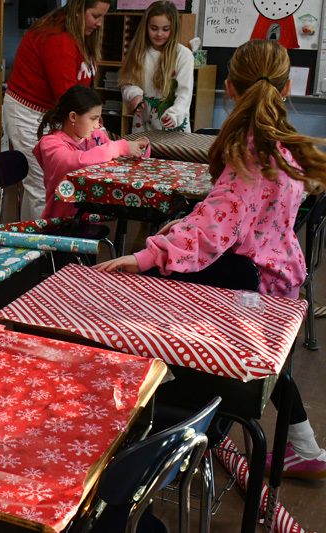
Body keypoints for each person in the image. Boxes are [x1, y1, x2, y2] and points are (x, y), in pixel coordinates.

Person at [96, 40, 326, 478]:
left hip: (250, 284)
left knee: (184, 328)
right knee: (263, 367)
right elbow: (232, 213)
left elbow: (217, 229)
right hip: (279, 275)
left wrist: (149, 255)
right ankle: (304, 445)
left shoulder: (249, 152)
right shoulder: (282, 144)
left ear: (229, 88)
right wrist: (182, 226)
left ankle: (196, 426)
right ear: (288, 86)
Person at [3, 0, 111, 222]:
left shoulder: (80, 33)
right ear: (78, 9)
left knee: (56, 181)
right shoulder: (58, 39)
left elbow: (82, 90)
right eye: (95, 16)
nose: (100, 23)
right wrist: (96, 128)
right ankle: (42, 251)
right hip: (29, 112)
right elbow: (69, 96)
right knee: (43, 185)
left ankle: (37, 240)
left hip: (55, 113)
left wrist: (96, 126)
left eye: (103, 17)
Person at [33, 85, 149, 220]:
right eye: (93, 119)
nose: (97, 125)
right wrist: (119, 147)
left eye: (98, 119)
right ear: (73, 117)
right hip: (62, 221)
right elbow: (75, 162)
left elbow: (118, 159)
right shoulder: (50, 144)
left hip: (92, 214)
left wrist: (138, 149)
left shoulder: (95, 136)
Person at [118, 1, 194, 132]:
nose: (159, 34)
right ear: (146, 27)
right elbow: (127, 84)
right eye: (154, 28)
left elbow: (184, 93)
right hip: (143, 128)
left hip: (175, 129)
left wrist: (175, 114)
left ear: (174, 28)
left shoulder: (183, 55)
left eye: (166, 29)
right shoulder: (138, 53)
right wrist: (134, 95)